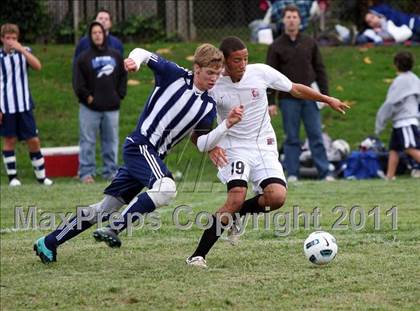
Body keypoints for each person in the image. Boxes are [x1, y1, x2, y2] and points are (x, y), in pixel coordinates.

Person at [33, 43, 243, 264]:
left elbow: (202, 144)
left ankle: (49, 242)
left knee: (105, 208)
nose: (213, 78)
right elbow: (143, 53)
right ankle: (115, 228)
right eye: (210, 73)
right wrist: (134, 60)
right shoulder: (174, 74)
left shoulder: (208, 105)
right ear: (197, 68)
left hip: (151, 156)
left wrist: (226, 124)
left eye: (217, 74)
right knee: (167, 187)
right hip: (141, 145)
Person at [186, 36, 349, 268]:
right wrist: (210, 146)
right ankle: (197, 256)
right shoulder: (214, 84)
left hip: (263, 145)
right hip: (234, 148)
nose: (243, 64)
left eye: (245, 58)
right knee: (235, 198)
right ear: (224, 62)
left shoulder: (260, 72)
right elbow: (194, 124)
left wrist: (326, 98)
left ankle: (237, 216)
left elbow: (295, 89)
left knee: (277, 197)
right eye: (236, 60)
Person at [266, 5, 333, 182]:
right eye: (288, 17)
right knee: (291, 138)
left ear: (300, 20)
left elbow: (320, 69)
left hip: (311, 97)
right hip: (288, 99)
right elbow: (269, 76)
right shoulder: (276, 46)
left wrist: (325, 95)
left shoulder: (310, 42)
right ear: (283, 20)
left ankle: (325, 173)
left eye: (295, 17)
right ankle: (293, 173)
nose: (291, 20)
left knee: (316, 136)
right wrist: (271, 101)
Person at [74, 21, 127, 183]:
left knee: (111, 141)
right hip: (89, 108)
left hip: (111, 107)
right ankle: (86, 173)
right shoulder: (83, 58)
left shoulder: (116, 55)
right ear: (90, 36)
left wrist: (119, 95)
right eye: (94, 33)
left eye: (99, 32)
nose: (97, 35)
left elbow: (122, 77)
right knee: (87, 141)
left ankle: (110, 171)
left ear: (104, 35)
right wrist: (88, 97)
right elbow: (77, 82)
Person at [0, 23, 53, 186]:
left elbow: (38, 66)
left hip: (24, 105)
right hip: (5, 106)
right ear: (2, 39)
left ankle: (42, 178)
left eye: (14, 38)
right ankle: (13, 178)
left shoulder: (25, 52)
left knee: (33, 140)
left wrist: (21, 49)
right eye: (8, 38)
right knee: (9, 140)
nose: (11, 41)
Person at [375, 51, 420, 180]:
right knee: (394, 149)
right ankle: (390, 176)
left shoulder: (400, 81)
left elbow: (390, 103)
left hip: (404, 121)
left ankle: (390, 175)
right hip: (406, 120)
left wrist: (381, 121)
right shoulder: (415, 79)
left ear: (396, 64)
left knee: (410, 148)